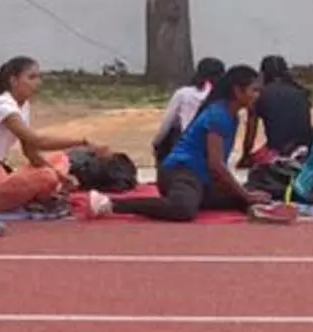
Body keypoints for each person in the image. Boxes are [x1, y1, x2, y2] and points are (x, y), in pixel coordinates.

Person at [88, 65, 273, 222]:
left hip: (201, 179)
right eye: (254, 91)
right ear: (237, 91)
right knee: (183, 209)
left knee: (240, 198)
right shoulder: (218, 116)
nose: (258, 96)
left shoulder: (232, 117)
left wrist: (244, 196)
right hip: (181, 172)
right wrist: (245, 194)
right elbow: (215, 164)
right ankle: (112, 204)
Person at [0, 56, 112, 232]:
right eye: (31, 77)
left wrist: (60, 175)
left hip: (1, 173)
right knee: (46, 176)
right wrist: (83, 141)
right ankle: (35, 194)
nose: (37, 83)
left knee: (60, 160)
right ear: (13, 80)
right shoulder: (3, 106)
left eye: (38, 77)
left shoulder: (22, 106)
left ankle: (41, 191)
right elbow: (36, 140)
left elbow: (30, 152)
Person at [238, 55, 313, 166]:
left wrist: (245, 157)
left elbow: (251, 132)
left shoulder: (259, 95)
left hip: (278, 152)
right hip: (306, 150)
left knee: (255, 159)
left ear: (263, 74)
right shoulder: (300, 92)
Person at [151, 57, 225, 165]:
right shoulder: (224, 97)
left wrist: (156, 143)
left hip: (188, 143)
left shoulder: (184, 94)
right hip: (216, 145)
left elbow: (167, 123)